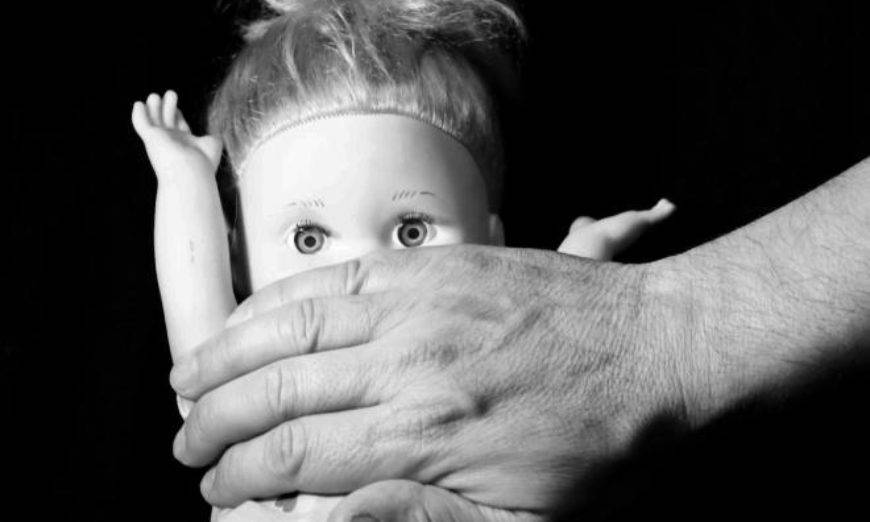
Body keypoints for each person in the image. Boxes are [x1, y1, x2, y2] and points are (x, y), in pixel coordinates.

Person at [131, 0, 674, 519]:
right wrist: (184, 181)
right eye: (308, 240)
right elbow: (198, 347)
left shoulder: (490, 383)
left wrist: (583, 263)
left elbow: (551, 334)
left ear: (495, 249)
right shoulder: (250, 380)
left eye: (412, 231)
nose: (366, 271)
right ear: (237, 260)